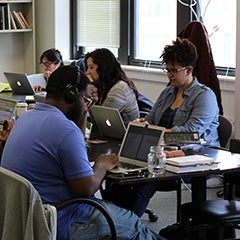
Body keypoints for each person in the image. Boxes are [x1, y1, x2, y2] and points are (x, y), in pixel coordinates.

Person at [1, 65, 164, 240]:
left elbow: (73, 145)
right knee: (134, 224)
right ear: (71, 95)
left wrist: (83, 110)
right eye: (85, 99)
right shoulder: (65, 130)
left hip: (26, 217)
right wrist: (101, 164)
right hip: (61, 218)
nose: (87, 105)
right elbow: (86, 188)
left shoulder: (26, 117)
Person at [105, 37, 220, 218]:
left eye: (173, 70)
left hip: (192, 158)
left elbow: (191, 134)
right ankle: (112, 223)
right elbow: (151, 119)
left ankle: (128, 227)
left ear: (189, 70)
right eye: (167, 69)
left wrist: (154, 132)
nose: (169, 75)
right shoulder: (168, 92)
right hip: (161, 152)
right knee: (119, 177)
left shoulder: (204, 96)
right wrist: (144, 124)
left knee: (143, 182)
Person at [85, 48, 139, 126]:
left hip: (123, 136)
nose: (87, 72)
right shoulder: (104, 86)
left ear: (103, 67)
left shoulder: (119, 88)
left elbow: (99, 121)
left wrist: (91, 96)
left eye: (91, 67)